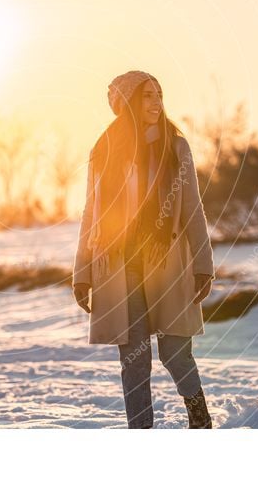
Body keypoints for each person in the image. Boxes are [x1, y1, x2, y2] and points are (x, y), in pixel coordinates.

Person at [71, 70, 215, 429]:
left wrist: (203, 266)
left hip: (168, 261)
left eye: (159, 95)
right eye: (147, 96)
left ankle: (200, 421)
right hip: (120, 267)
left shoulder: (175, 146)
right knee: (133, 358)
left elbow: (192, 208)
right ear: (128, 104)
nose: (156, 103)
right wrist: (82, 273)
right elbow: (91, 212)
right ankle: (141, 433)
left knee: (175, 352)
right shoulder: (103, 151)